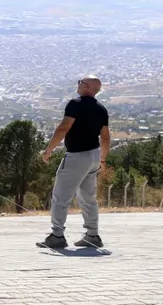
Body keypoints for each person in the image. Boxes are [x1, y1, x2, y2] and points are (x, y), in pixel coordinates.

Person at [39, 74, 110, 249]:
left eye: (80, 83)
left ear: (86, 87)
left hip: (77, 156)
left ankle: (57, 235)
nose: (78, 85)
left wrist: (49, 150)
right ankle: (92, 235)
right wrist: (103, 158)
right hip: (94, 155)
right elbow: (106, 138)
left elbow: (63, 128)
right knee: (88, 198)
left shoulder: (75, 104)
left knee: (61, 196)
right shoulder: (101, 109)